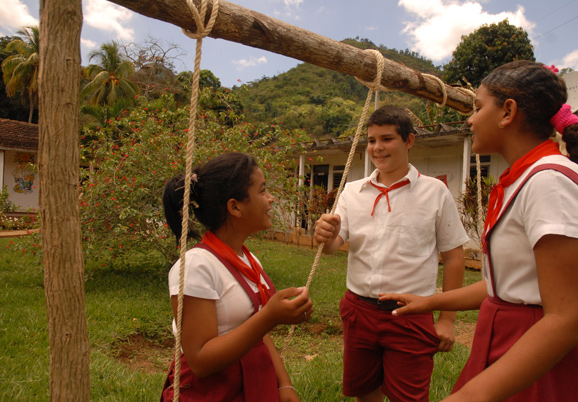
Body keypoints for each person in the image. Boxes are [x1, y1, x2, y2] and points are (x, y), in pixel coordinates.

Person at [380, 60, 578, 401]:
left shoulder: (550, 183)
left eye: (478, 107)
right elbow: (508, 284)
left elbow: (566, 319)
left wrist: (471, 396)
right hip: (516, 342)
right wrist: (430, 302)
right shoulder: (527, 178)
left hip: (538, 353)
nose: (470, 119)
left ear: (508, 112)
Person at [314, 105, 469, 402]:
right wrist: (326, 234)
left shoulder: (434, 192)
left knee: (409, 397)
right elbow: (334, 245)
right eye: (371, 140)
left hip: (410, 314)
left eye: (387, 139)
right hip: (358, 310)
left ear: (409, 141)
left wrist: (447, 319)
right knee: (364, 393)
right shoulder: (352, 191)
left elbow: (454, 256)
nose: (377, 148)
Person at [160, 152, 313, 402]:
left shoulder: (248, 258)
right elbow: (199, 360)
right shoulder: (196, 266)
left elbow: (255, 328)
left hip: (254, 382)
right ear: (235, 207)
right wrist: (270, 316)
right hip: (214, 392)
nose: (271, 199)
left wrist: (283, 384)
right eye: (262, 191)